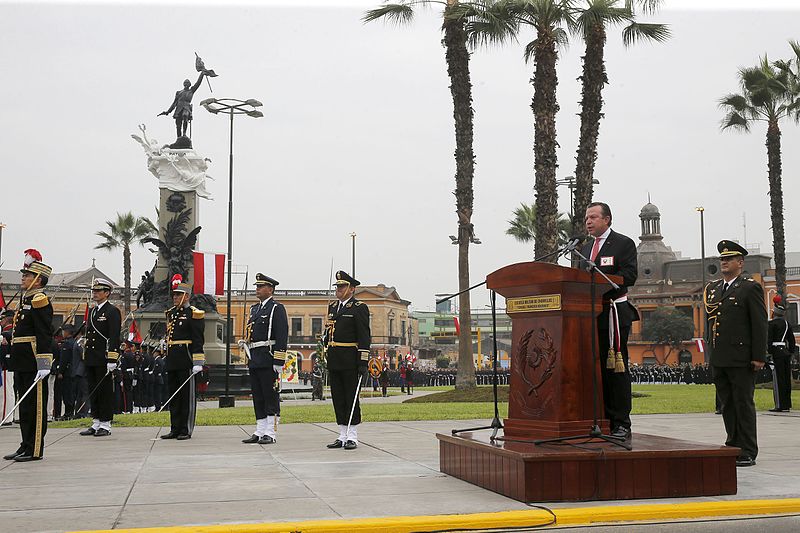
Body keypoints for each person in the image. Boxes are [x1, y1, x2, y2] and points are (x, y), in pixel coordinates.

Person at [704, 240, 768, 467]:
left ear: (740, 263)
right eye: (722, 259)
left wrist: (759, 356)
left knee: (743, 403)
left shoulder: (749, 287)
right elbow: (709, 324)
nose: (724, 262)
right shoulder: (712, 289)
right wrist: (710, 353)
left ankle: (748, 449)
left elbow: (759, 324)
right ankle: (733, 443)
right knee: (727, 404)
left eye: (728, 259)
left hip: (741, 357)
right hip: (720, 357)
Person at [580, 202, 639, 440]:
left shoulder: (623, 244)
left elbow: (629, 276)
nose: (588, 221)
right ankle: (599, 418)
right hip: (587, 315)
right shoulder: (583, 249)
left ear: (607, 219)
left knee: (615, 368)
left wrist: (601, 279)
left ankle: (621, 423)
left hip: (613, 313)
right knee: (594, 370)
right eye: (586, 218)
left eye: (593, 217)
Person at [4, 250, 54, 462]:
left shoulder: (39, 300)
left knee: (35, 406)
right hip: (22, 360)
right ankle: (25, 445)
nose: (23, 278)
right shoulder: (27, 299)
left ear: (38, 280)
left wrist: (44, 362)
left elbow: (44, 333)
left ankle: (35, 449)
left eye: (26, 275)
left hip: (34, 360)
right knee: (24, 405)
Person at [323, 271, 371, 450]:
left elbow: (364, 336)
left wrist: (363, 361)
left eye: (342, 286)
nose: (338, 289)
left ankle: (352, 436)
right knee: (338, 397)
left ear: (352, 289)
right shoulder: (333, 307)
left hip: (350, 359)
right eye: (337, 286)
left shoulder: (359, 307)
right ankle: (342, 434)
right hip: (335, 358)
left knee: (351, 397)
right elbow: (330, 333)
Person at [239, 273, 288, 444]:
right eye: (257, 286)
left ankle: (271, 432)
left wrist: (279, 360)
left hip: (268, 357)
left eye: (261, 286)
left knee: (270, 395)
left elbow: (282, 335)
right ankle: (260, 430)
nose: (257, 289)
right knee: (258, 395)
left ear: (270, 289)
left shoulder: (276, 308)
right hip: (255, 357)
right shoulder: (255, 309)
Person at [160, 275, 204, 441]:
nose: (175, 298)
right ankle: (175, 427)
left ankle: (185, 428)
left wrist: (198, 362)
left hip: (186, 359)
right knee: (174, 395)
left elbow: (198, 340)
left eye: (178, 295)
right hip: (173, 360)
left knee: (186, 397)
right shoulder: (171, 313)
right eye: (174, 295)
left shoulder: (194, 314)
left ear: (187, 296)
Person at [79, 279, 121, 437]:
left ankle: (106, 423)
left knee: (104, 391)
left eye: (98, 291)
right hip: (91, 357)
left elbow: (114, 336)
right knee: (93, 390)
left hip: (103, 358)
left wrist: (112, 359)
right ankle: (96, 421)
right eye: (94, 291)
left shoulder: (112, 311)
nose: (95, 293)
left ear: (107, 293)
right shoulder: (93, 311)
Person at [158, 71, 207, 140]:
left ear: (190, 84)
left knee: (185, 116)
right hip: (178, 108)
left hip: (186, 107)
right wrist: (168, 111)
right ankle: (179, 138)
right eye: (185, 83)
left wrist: (202, 74)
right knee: (178, 125)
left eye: (187, 83)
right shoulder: (178, 92)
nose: (186, 84)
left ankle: (184, 134)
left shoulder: (191, 91)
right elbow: (174, 103)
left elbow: (198, 83)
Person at [767, 295, 795, 412]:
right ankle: (787, 404)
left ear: (775, 313)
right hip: (785, 353)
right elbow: (792, 340)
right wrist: (791, 352)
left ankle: (779, 405)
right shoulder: (787, 324)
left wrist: (769, 352)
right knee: (786, 379)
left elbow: (769, 341)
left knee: (778, 380)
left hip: (776, 353)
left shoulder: (772, 324)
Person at [1, 308, 17, 425]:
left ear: (6, 320)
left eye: (2, 319)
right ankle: (8, 416)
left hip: (6, 364)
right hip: (10, 364)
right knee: (9, 391)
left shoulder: (7, 332)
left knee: (6, 393)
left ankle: (6, 418)